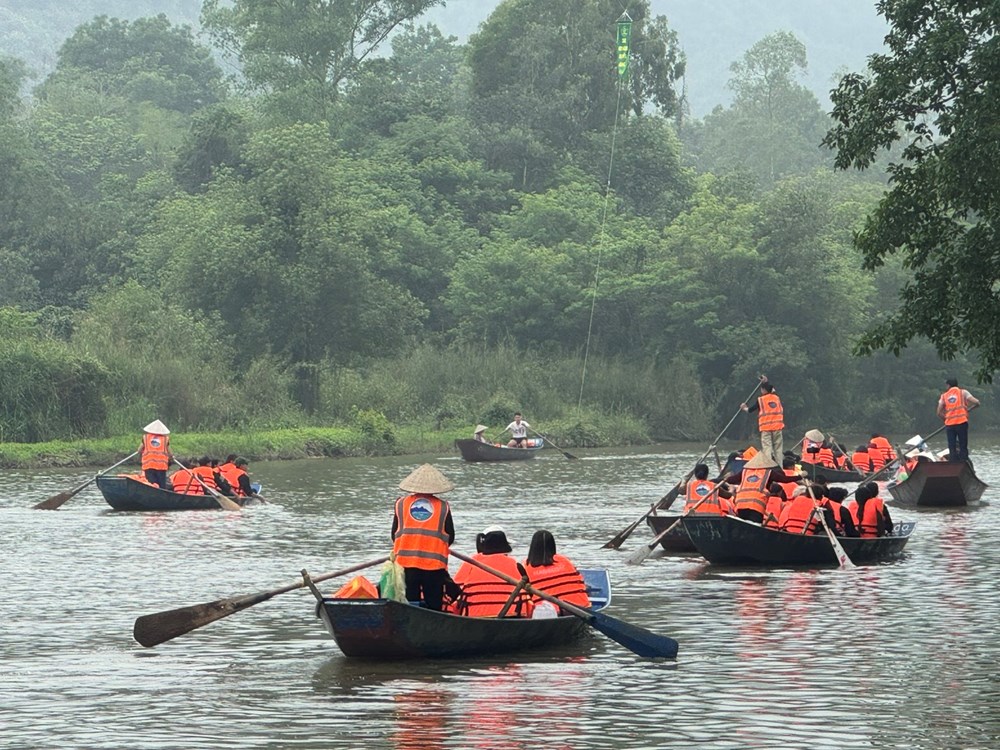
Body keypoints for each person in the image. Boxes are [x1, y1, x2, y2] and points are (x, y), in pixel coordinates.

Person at [390, 464, 457, 611]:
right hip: (433, 567)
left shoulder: (400, 504)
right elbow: (450, 537)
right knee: (433, 606)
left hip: (405, 565)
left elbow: (394, 534)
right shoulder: (443, 507)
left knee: (409, 605)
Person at [450, 527, 533, 617]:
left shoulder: (472, 563)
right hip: (513, 615)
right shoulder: (517, 566)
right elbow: (529, 592)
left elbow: (456, 590)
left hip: (475, 616)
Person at [724, 450, 801, 524]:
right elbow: (784, 479)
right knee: (754, 527)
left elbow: (732, 480)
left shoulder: (745, 471)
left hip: (740, 504)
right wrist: (799, 477)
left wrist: (726, 479)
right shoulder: (768, 472)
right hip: (756, 505)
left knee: (743, 525)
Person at [523, 529, 590, 613]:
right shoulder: (564, 561)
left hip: (546, 612)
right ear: (552, 545)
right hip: (580, 607)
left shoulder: (526, 566)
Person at [740, 378, 783, 464]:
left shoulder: (761, 400)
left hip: (766, 429)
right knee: (778, 450)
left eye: (761, 389)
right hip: (777, 428)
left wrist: (744, 407)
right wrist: (766, 382)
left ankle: (768, 468)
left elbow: (750, 410)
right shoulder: (776, 398)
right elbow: (772, 389)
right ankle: (780, 469)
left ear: (763, 390)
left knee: (767, 449)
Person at [937, 377, 981, 462]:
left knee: (952, 446)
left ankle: (953, 464)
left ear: (948, 385)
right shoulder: (963, 392)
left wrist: (946, 420)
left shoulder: (944, 396)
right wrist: (969, 409)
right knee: (963, 445)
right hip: (961, 422)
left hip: (950, 425)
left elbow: (938, 412)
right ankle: (964, 463)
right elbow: (977, 402)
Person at [138, 419, 172, 489]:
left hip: (148, 465)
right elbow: (170, 453)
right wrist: (172, 457)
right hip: (161, 466)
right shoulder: (165, 439)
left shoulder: (146, 437)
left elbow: (139, 450)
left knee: (151, 485)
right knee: (161, 486)